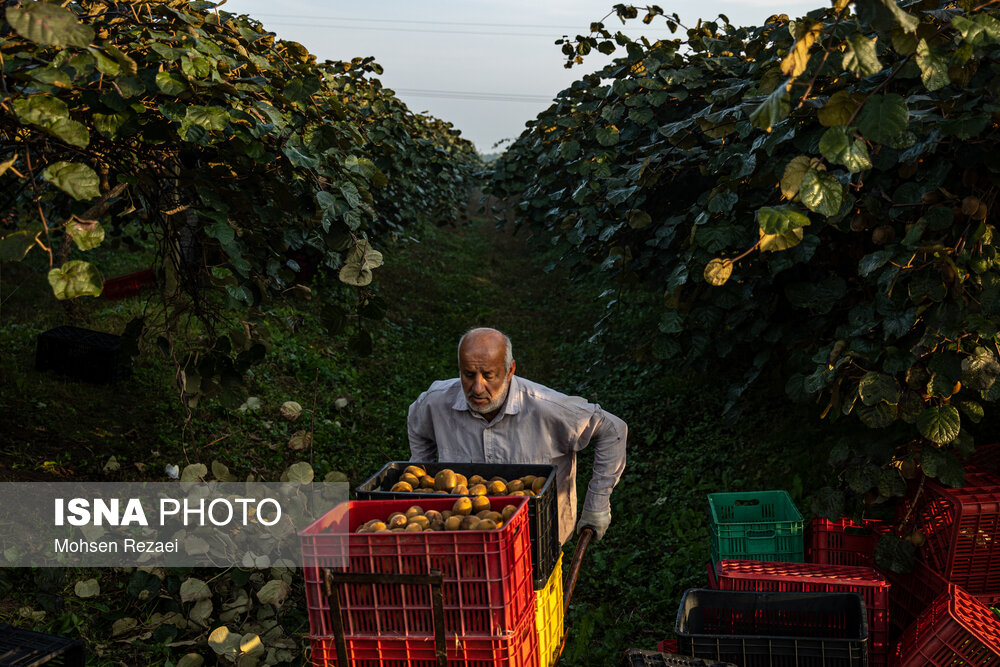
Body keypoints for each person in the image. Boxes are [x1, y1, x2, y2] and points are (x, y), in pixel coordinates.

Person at [407, 327, 627, 543]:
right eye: (469, 375)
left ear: (510, 370)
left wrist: (597, 506)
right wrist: (421, 473)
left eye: (489, 376)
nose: (478, 388)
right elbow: (416, 423)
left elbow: (612, 430)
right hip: (465, 540)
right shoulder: (436, 403)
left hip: (537, 540)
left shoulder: (547, 408)